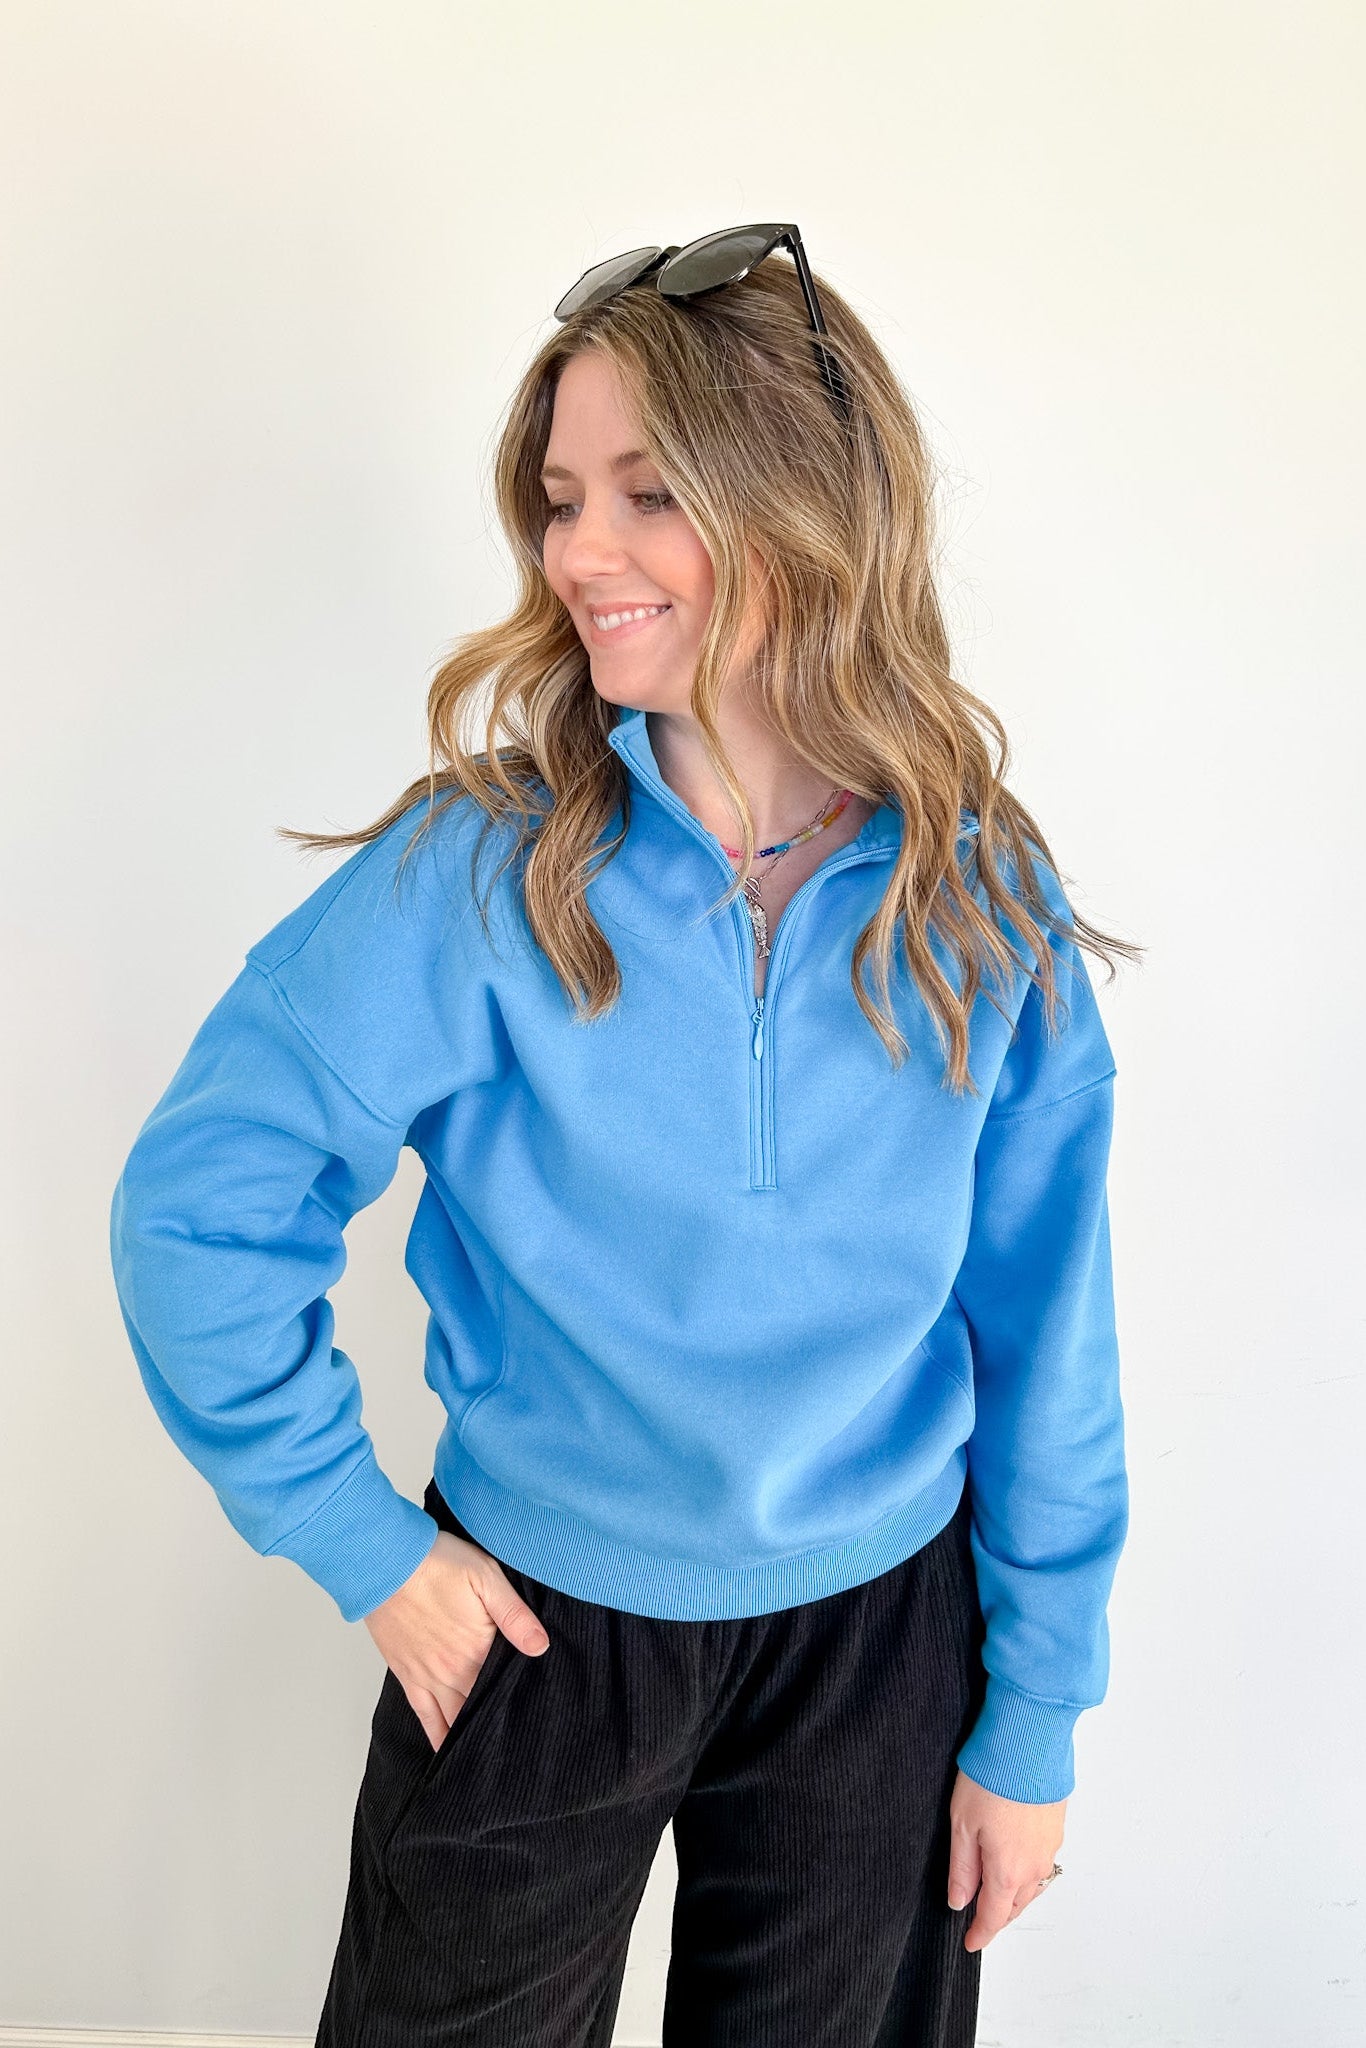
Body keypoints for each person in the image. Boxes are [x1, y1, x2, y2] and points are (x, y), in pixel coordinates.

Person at [108, 224, 1138, 2047]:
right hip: (532, 1622)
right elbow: (200, 1208)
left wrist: (1034, 1711)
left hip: (886, 1635)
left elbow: (1046, 1331)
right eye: (560, 497)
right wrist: (360, 1542)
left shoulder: (977, 899)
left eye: (648, 494)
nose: (579, 551)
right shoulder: (477, 873)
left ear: (807, 509)